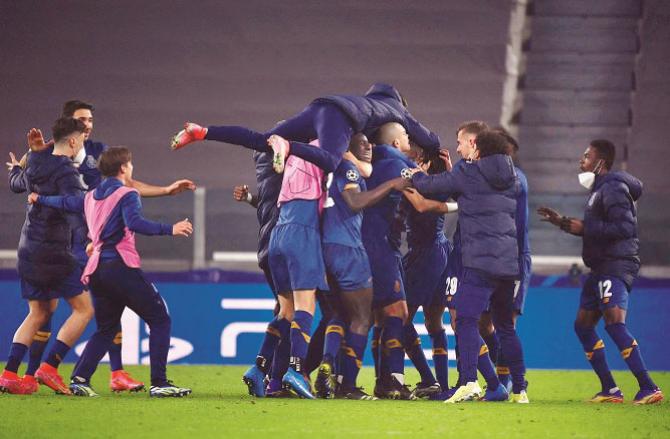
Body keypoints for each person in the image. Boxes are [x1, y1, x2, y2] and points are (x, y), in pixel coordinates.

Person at [6, 100, 195, 393]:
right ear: (70, 129)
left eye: (90, 120)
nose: (88, 125)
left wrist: (166, 190)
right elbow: (90, 202)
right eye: (82, 121)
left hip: (57, 248)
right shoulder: (66, 167)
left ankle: (63, 375)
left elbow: (28, 184)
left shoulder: (90, 154)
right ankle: (44, 370)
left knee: (55, 312)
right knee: (78, 311)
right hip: (75, 248)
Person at [538, 139, 663, 405]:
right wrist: (561, 222)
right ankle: (610, 389)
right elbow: (592, 227)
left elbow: (625, 229)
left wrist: (586, 229)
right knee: (583, 326)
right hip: (600, 266)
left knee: (614, 323)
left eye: (586, 156)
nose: (580, 161)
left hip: (616, 263)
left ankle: (648, 386)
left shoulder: (615, 188)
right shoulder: (599, 191)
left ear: (600, 163)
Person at [412, 129, 526, 403]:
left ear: (475, 147)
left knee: (464, 319)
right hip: (507, 263)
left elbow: (428, 187)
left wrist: (410, 174)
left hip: (479, 261)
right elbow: (469, 194)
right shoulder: (512, 177)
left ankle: (469, 381)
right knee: (505, 328)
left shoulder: (469, 172)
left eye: (462, 143)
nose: (460, 147)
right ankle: (520, 389)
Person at [0, 119, 94, 395]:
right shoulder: (67, 172)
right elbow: (76, 205)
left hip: (29, 248)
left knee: (39, 312)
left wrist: (21, 164)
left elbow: (17, 184)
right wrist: (86, 242)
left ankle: (11, 375)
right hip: (54, 252)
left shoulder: (38, 162)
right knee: (84, 309)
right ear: (74, 142)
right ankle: (49, 368)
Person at [169, 83, 440, 176]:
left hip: (320, 107)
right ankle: (287, 147)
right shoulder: (398, 110)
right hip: (340, 118)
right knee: (333, 161)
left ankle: (202, 132)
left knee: (262, 140)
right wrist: (432, 152)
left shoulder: (369, 101)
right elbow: (428, 137)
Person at [315, 133, 409, 400]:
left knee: (340, 313)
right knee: (363, 317)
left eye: (370, 142)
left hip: (325, 247)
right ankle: (348, 386)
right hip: (348, 248)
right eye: (362, 142)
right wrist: (391, 184)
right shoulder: (349, 169)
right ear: (348, 148)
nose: (368, 146)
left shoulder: (331, 169)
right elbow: (355, 202)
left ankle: (328, 363)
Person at [361, 122, 417, 400]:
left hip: (367, 243)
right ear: (395, 143)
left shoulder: (370, 162)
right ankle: (391, 380)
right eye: (405, 136)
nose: (409, 139)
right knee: (397, 312)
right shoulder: (397, 163)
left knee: (376, 316)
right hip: (380, 246)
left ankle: (347, 377)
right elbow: (428, 194)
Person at [400, 147, 457, 399]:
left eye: (413, 158)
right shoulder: (438, 184)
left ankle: (428, 378)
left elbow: (420, 206)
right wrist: (450, 170)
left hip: (425, 255)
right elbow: (460, 191)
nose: (408, 162)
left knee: (401, 318)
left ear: (422, 161)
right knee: (434, 323)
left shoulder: (419, 184)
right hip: (442, 251)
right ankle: (441, 387)